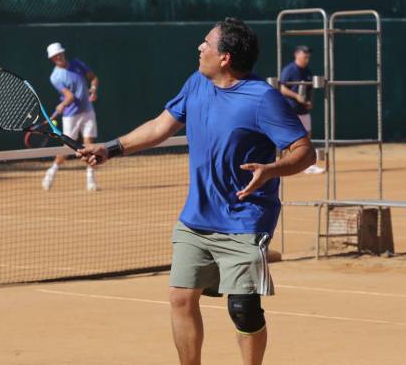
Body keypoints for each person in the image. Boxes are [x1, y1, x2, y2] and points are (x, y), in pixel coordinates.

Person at [76, 18, 316, 365]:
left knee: (243, 309)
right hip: (196, 218)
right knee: (180, 298)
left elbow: (304, 152)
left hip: (245, 218)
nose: (199, 48)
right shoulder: (196, 84)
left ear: (225, 58)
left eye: (207, 43)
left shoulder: (263, 98)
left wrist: (272, 170)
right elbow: (160, 127)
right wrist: (110, 148)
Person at [41, 42, 100, 191]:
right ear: (52, 59)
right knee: (67, 148)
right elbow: (70, 97)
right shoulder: (55, 77)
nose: (58, 57)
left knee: (89, 145)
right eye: (55, 56)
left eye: (59, 54)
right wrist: (63, 104)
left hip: (87, 111)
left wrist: (93, 89)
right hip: (70, 115)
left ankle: (90, 179)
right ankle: (51, 172)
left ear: (63, 53)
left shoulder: (77, 64)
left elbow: (93, 78)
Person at [279, 45, 325, 174]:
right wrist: (296, 96)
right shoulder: (290, 70)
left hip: (303, 110)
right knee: (288, 139)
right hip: (291, 110)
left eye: (308, 56)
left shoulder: (308, 71)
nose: (307, 58)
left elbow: (310, 89)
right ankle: (283, 165)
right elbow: (282, 88)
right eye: (304, 55)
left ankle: (308, 165)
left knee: (307, 137)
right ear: (296, 54)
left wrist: (309, 101)